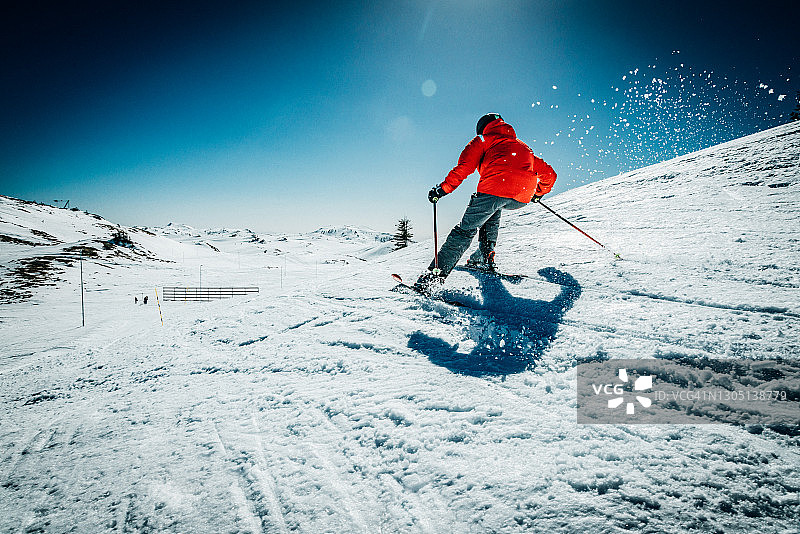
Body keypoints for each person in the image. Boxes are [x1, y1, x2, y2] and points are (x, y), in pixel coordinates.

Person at [414, 113, 556, 292]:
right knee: (493, 209)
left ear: (482, 128)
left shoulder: (483, 140)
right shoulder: (522, 146)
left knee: (464, 232)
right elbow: (550, 174)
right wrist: (538, 193)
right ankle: (483, 259)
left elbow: (464, 167)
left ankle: (430, 281)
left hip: (494, 189)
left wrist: (442, 190)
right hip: (521, 197)